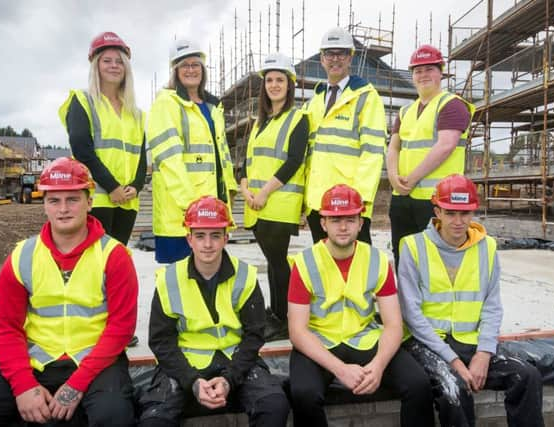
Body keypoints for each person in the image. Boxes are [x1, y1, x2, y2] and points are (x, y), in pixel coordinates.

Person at [0, 157, 138, 426]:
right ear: (43, 204)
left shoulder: (114, 256)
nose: (63, 209)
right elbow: (7, 328)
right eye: (54, 200)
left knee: (113, 417)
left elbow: (120, 329)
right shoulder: (23, 256)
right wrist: (23, 387)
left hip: (97, 365)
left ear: (89, 202)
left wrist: (75, 386)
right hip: (37, 365)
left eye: (72, 199)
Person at [398, 174, 544, 427]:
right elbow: (411, 314)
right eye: (450, 213)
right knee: (452, 387)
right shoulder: (412, 246)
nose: (458, 221)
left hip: (471, 341)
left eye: (465, 213)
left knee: (527, 376)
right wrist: (454, 361)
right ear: (437, 211)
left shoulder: (486, 247)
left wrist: (484, 353)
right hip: (429, 343)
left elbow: (492, 304)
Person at [287, 184, 435, 427]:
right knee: (304, 393)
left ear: (360, 222)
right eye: (335, 219)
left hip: (364, 339)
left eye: (349, 219)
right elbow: (297, 331)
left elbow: (393, 324)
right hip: (320, 342)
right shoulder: (304, 263)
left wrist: (377, 367)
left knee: (418, 384)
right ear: (323, 223)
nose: (343, 226)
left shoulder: (377, 260)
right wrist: (341, 370)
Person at [139, 196, 290, 427]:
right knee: (154, 420)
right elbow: (161, 341)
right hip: (185, 364)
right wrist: (192, 382)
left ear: (226, 238)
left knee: (273, 405)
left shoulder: (245, 276)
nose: (207, 244)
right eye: (200, 236)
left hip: (236, 360)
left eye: (215, 235)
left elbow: (254, 335)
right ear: (189, 239)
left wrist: (230, 379)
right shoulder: (169, 280)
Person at [147, 38, 237, 264]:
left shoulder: (212, 107)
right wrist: (192, 208)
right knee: (177, 283)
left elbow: (221, 156)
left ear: (203, 69)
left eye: (195, 64)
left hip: (212, 210)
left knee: (209, 279)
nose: (191, 70)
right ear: (175, 70)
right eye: (184, 65)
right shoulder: (166, 103)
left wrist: (230, 192)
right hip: (180, 215)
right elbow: (170, 161)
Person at [240, 52, 309, 340]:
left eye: (280, 79)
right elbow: (247, 160)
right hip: (256, 204)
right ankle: (278, 311)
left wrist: (265, 193)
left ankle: (284, 318)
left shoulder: (298, 118)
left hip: (278, 204)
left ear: (289, 85)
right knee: (272, 262)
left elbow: (293, 161)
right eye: (269, 80)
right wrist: (245, 189)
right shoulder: (259, 122)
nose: (274, 85)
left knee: (278, 262)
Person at [386, 44, 475, 269]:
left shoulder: (452, 105)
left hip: (437, 200)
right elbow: (393, 147)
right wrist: (394, 176)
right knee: (403, 256)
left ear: (440, 73)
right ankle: (406, 304)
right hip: (403, 197)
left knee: (434, 260)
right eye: (418, 70)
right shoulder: (405, 111)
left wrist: (411, 179)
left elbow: (445, 146)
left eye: (429, 69)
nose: (423, 75)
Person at [59, 31, 147, 247]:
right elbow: (82, 150)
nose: (114, 66)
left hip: (127, 202)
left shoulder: (135, 113)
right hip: (95, 199)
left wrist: (136, 186)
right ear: (96, 65)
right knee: (92, 262)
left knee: (116, 262)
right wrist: (112, 187)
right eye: (107, 61)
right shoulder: (83, 100)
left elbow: (142, 156)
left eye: (119, 61)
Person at [304, 27, 386, 245]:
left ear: (351, 57)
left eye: (341, 53)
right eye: (329, 54)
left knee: (357, 269)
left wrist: (359, 198)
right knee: (324, 268)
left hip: (349, 203)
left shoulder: (366, 97)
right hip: (318, 202)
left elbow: (373, 152)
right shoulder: (316, 101)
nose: (335, 59)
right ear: (322, 59)